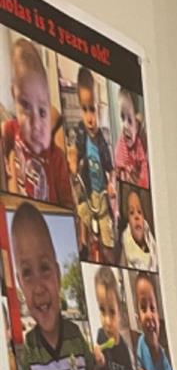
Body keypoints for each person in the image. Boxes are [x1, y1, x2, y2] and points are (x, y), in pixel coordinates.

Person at [9, 202, 95, 370]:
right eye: (27, 273)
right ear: (20, 284)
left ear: (58, 274)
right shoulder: (30, 348)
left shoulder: (75, 335)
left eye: (45, 268)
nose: (39, 288)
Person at [2, 38, 71, 206]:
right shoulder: (13, 130)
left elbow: (68, 205)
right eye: (25, 106)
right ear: (14, 96)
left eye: (42, 112)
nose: (35, 124)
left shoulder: (56, 158)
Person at [69, 66, 116, 258]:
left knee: (107, 227)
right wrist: (72, 162)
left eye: (93, 110)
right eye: (85, 110)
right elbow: (74, 150)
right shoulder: (80, 132)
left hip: (101, 194)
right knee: (82, 213)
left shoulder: (102, 140)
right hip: (87, 191)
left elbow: (111, 168)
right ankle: (83, 247)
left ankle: (109, 252)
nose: (90, 117)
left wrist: (111, 183)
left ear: (100, 109)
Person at [92, 266, 135, 370]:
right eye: (102, 310)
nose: (107, 321)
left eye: (112, 312)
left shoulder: (125, 352)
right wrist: (97, 364)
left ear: (120, 313)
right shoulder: (100, 335)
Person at [133, 273, 171, 370]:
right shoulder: (140, 342)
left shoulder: (165, 358)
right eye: (144, 308)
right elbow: (139, 366)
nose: (149, 315)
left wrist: (155, 348)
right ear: (138, 319)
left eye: (153, 308)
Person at [114, 87, 149, 188]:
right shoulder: (122, 140)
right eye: (122, 117)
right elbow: (117, 164)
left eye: (130, 120)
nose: (125, 125)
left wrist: (141, 185)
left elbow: (144, 167)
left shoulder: (139, 143)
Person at [120, 187, 157, 270]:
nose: (136, 217)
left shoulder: (152, 245)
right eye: (132, 213)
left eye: (139, 212)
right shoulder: (127, 251)